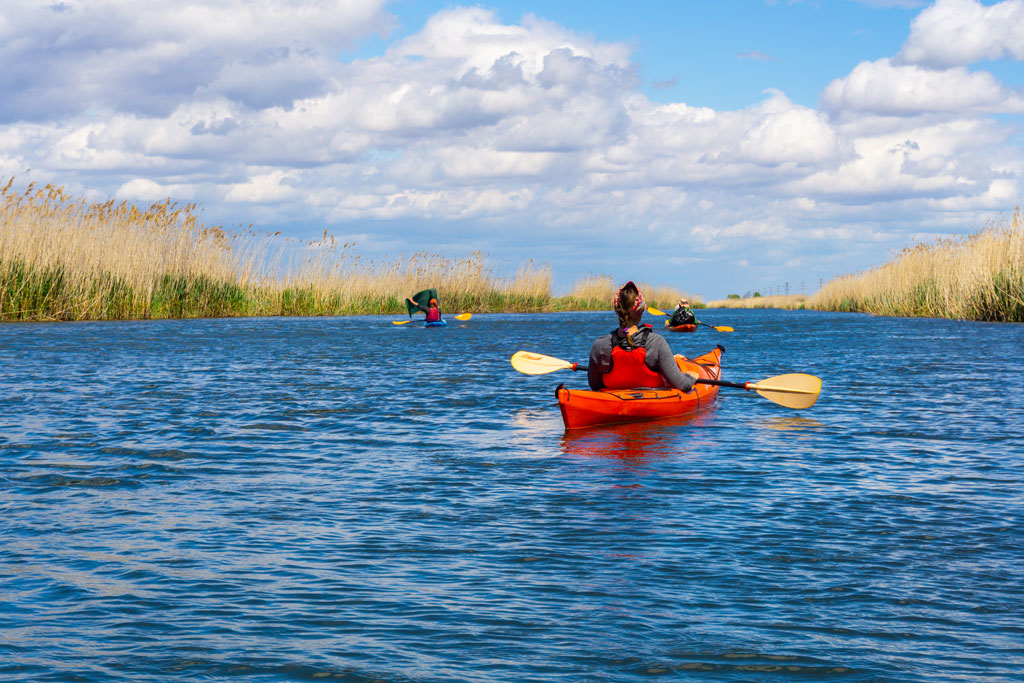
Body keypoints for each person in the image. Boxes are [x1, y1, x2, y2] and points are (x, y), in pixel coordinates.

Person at [588, 282, 699, 392]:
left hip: (613, 404)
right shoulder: (656, 343)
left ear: (617, 311)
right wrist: (691, 377)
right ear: (641, 312)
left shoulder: (599, 345)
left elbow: (595, 385)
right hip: (651, 405)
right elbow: (683, 385)